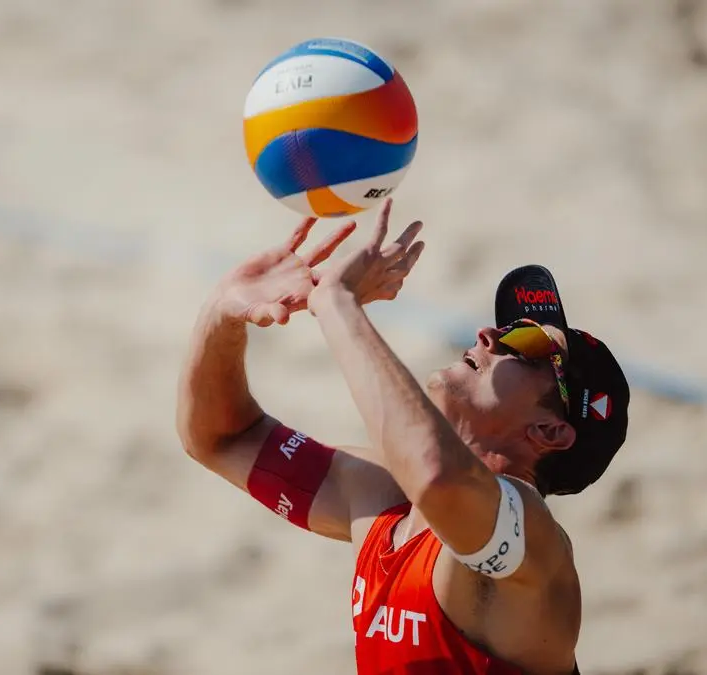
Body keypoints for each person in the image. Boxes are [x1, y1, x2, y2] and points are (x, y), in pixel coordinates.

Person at [175, 199, 630, 675]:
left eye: (526, 343)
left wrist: (337, 303)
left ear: (550, 431)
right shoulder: (383, 499)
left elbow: (437, 476)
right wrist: (221, 314)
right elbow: (220, 438)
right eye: (505, 326)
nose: (489, 335)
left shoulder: (534, 541)